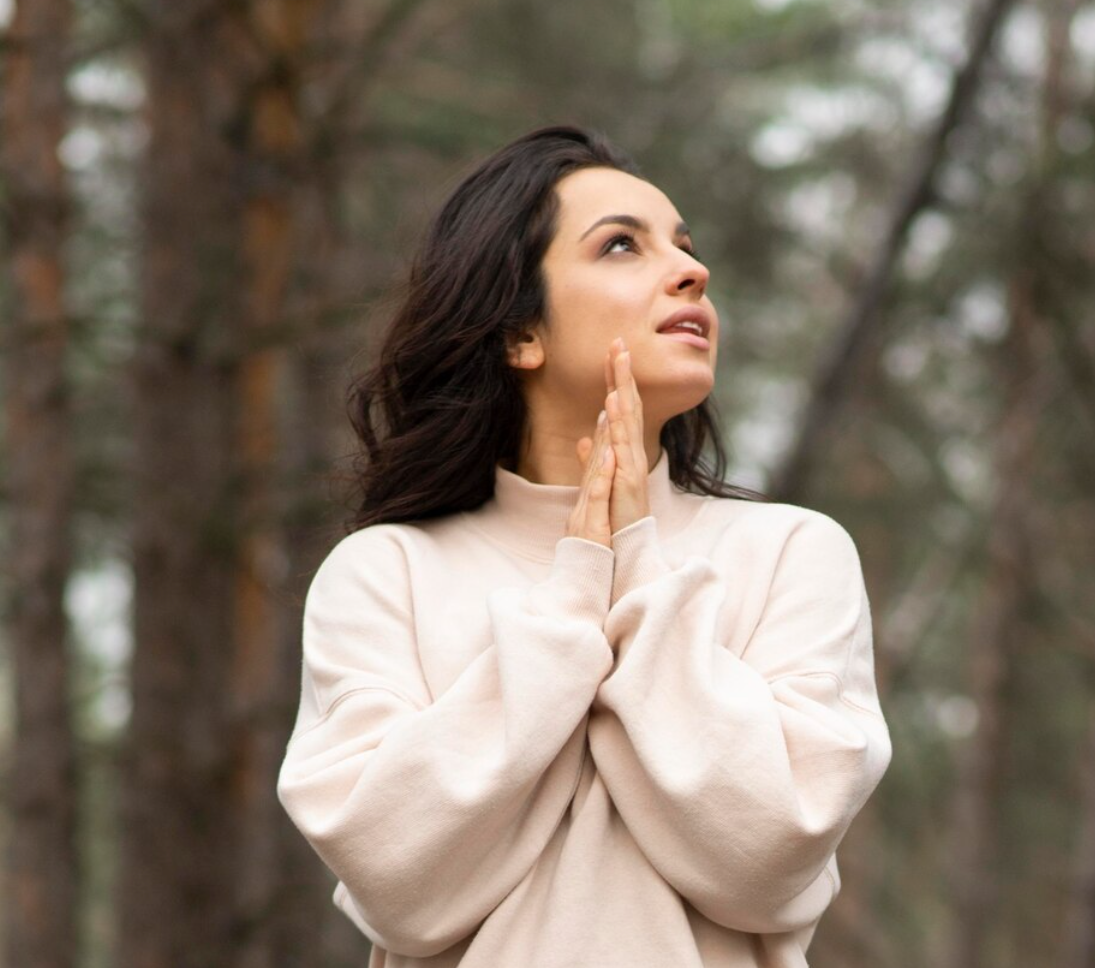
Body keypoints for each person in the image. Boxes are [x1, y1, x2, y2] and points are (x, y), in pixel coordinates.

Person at [275, 124, 893, 968]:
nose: (692, 271)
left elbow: (768, 851)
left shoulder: (791, 553)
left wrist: (636, 561)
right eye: (621, 246)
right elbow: (399, 887)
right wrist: (573, 599)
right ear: (518, 332)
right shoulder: (388, 574)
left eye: (684, 246)